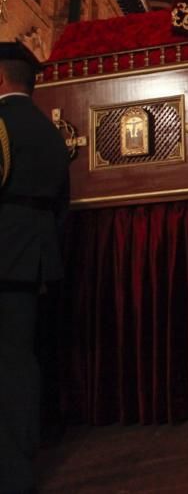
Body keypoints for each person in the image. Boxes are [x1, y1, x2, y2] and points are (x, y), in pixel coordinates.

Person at [0, 41, 71, 494]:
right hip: (32, 260)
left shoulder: (0, 124)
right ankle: (21, 464)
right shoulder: (50, 131)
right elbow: (61, 204)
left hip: (1, 255)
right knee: (19, 365)